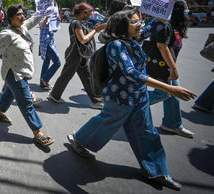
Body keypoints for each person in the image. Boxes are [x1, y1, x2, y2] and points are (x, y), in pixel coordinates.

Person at [66, 10, 197, 191]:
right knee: (106, 123)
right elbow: (131, 73)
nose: (140, 25)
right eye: (134, 22)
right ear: (122, 26)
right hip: (120, 98)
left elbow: (156, 24)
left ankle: (157, 171)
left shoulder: (135, 38)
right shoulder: (116, 45)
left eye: (139, 21)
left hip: (139, 96)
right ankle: (79, 140)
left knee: (148, 132)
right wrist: (169, 88)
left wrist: (166, 2)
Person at [0, 4, 55, 148]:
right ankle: (37, 132)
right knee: (26, 102)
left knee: (10, 93)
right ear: (10, 18)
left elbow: (35, 19)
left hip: (24, 71)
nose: (22, 17)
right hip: (14, 73)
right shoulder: (6, 34)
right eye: (18, 15)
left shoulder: (23, 27)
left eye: (22, 14)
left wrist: (46, 4)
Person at [147, 0, 194, 137]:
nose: (188, 10)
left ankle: (171, 124)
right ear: (178, 10)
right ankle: (126, 103)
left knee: (173, 96)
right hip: (163, 66)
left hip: (168, 66)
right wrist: (173, 68)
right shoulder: (164, 25)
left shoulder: (175, 26)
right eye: (185, 7)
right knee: (164, 93)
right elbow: (162, 47)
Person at [49, 3, 106, 109]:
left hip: (81, 55)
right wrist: (95, 31)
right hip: (75, 54)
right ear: (83, 12)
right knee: (67, 75)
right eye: (88, 12)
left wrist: (95, 29)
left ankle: (96, 100)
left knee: (87, 76)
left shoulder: (80, 23)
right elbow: (83, 39)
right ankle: (54, 95)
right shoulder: (76, 23)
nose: (90, 14)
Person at [39, 15, 61, 90]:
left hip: (51, 43)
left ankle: (43, 82)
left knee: (46, 61)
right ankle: (44, 79)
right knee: (57, 63)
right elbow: (42, 27)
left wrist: (58, 21)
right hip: (46, 43)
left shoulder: (52, 19)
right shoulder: (44, 18)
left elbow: (55, 30)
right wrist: (47, 18)